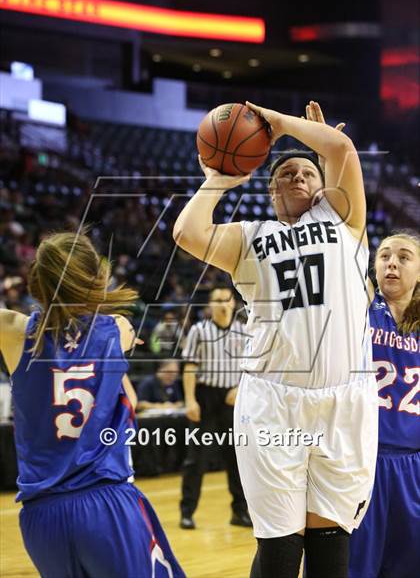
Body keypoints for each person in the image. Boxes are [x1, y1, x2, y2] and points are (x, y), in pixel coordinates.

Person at [173, 100, 378, 578]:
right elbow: (186, 232)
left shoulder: (345, 223)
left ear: (325, 186)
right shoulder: (250, 236)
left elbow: (342, 148)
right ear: (268, 188)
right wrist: (221, 178)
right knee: (280, 549)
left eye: (308, 171)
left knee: (331, 551)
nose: (298, 176)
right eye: (286, 172)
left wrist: (282, 125)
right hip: (272, 402)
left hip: (345, 401)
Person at [0, 231, 185, 578]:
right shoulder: (118, 328)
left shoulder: (12, 331)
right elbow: (127, 400)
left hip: (41, 516)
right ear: (96, 277)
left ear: (37, 280)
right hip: (104, 504)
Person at [349, 231, 420, 578]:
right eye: (385, 256)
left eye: (404, 257)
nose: (392, 262)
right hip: (361, 463)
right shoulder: (361, 307)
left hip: (413, 466)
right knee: (352, 566)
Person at [179, 284, 251, 530]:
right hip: (205, 395)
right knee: (196, 458)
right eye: (217, 300)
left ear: (233, 303)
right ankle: (187, 511)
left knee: (236, 458)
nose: (222, 304)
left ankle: (239, 512)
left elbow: (252, 368)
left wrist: (240, 389)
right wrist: (190, 400)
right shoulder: (199, 331)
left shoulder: (244, 331)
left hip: (232, 397)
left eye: (226, 299)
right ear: (210, 306)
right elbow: (189, 367)